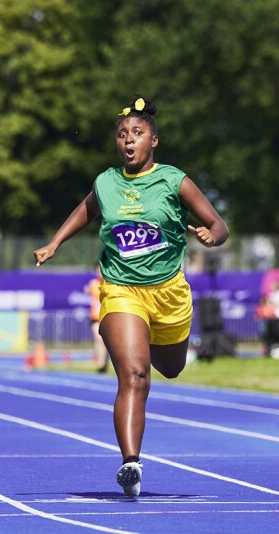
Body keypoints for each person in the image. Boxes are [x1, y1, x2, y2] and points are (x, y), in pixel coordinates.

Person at [33, 94, 229, 496]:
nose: (128, 140)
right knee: (135, 375)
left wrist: (212, 236)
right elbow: (86, 210)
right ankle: (130, 463)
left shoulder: (175, 180)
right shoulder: (106, 182)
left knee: (170, 368)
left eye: (137, 133)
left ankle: (155, 342)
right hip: (121, 289)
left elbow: (218, 223)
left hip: (169, 293)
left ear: (153, 140)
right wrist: (55, 243)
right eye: (122, 134)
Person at [85, 264, 109, 373]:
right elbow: (87, 290)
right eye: (97, 270)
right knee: (98, 338)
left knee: (106, 341)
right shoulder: (94, 283)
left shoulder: (109, 282)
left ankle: (104, 360)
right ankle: (101, 363)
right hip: (95, 316)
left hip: (107, 315)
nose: (99, 272)